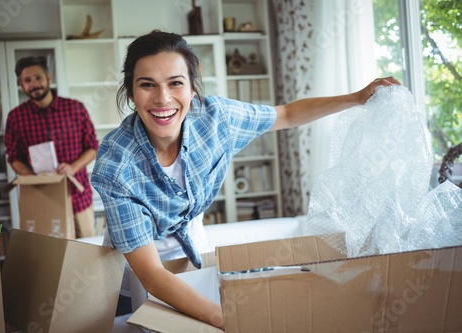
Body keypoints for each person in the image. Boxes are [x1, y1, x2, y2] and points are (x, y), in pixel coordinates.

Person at [91, 30, 400, 328]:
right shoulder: (116, 165)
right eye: (148, 85)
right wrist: (230, 318)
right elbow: (152, 275)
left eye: (176, 83)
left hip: (193, 255)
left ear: (192, 89)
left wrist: (357, 97)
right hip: (139, 274)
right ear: (131, 92)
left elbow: (286, 115)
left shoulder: (216, 120)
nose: (163, 98)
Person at [4, 56, 99, 238]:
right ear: (21, 85)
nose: (34, 84)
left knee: (86, 250)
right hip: (41, 200)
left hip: (78, 197)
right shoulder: (15, 117)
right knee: (51, 256)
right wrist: (34, 179)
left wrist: (72, 167)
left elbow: (92, 147)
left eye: (38, 77)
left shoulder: (75, 108)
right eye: (27, 80)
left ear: (48, 77)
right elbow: (13, 157)